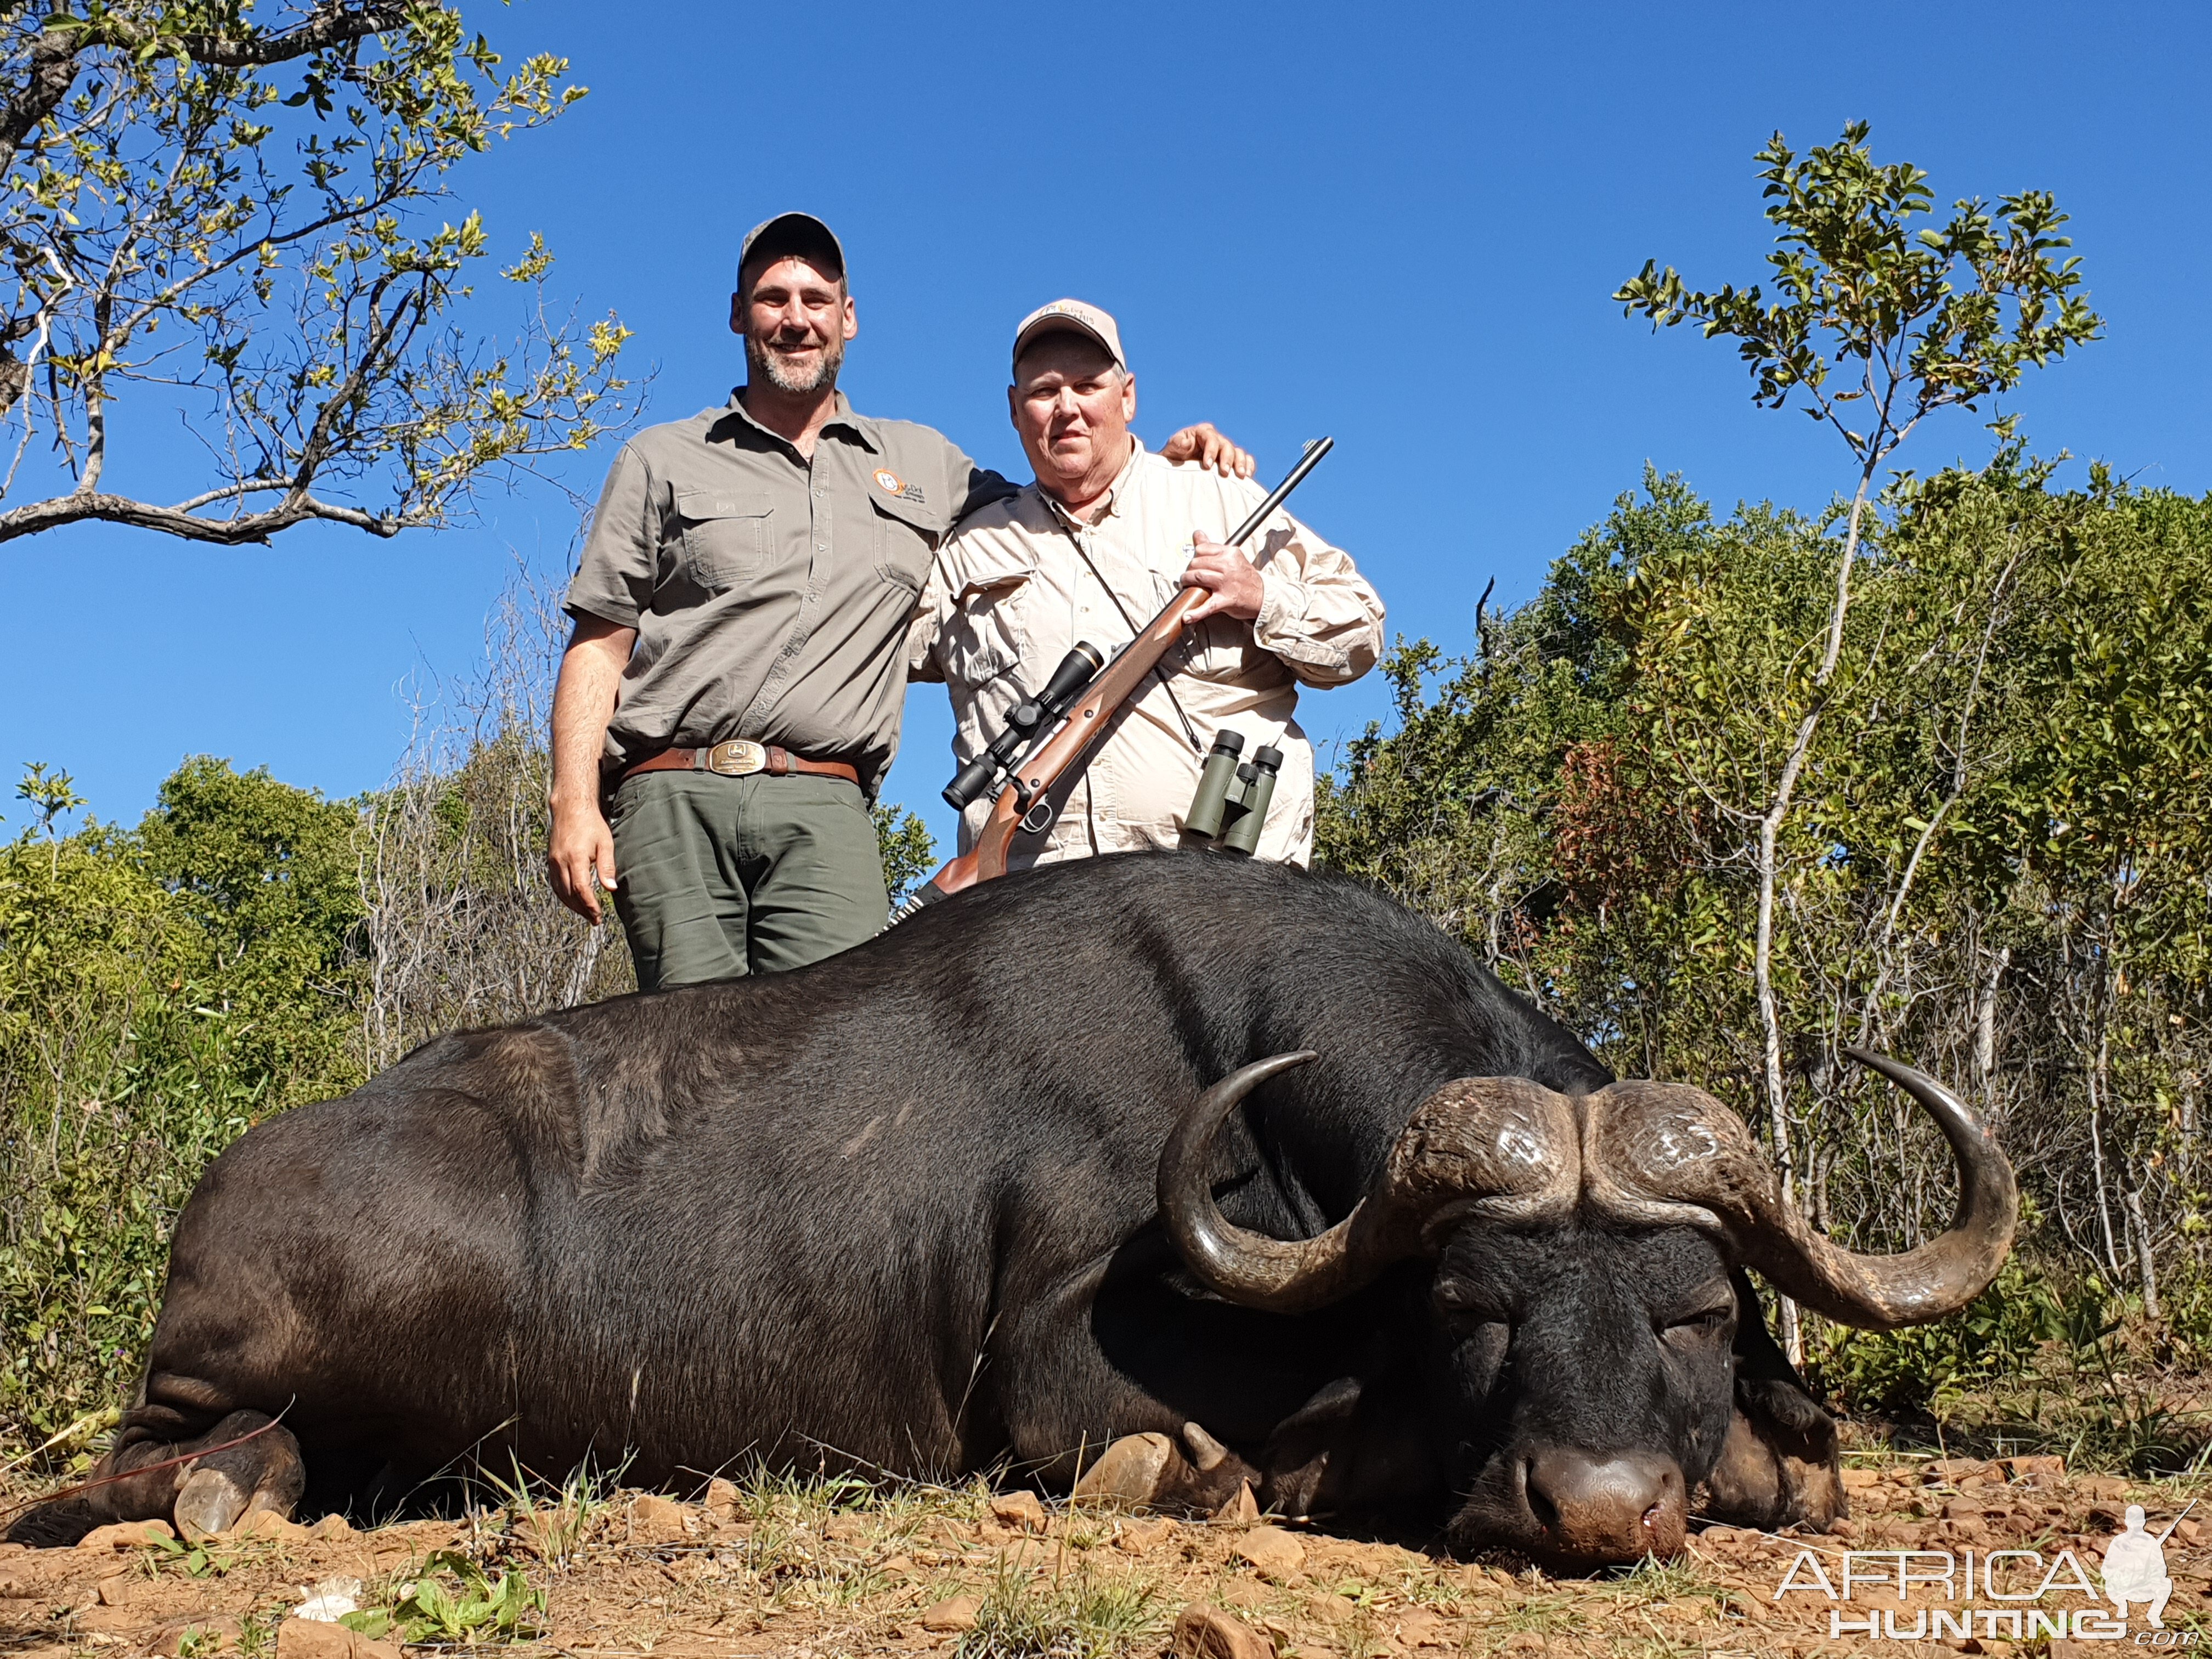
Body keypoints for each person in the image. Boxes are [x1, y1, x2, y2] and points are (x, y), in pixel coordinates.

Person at [548, 217, 1251, 990]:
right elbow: (600, 642)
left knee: (839, 1057)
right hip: (671, 793)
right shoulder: (661, 458)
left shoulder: (924, 463)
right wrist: (574, 802)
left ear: (847, 317)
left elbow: (1063, 492)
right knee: (686, 1059)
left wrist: (1166, 464)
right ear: (739, 314)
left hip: (827, 802)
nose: (795, 318)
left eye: (816, 299)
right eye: (772, 298)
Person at [910, 298, 1383, 867]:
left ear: (1127, 397)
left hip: (1219, 895)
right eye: (1044, 392)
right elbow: (863, 654)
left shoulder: (1220, 497)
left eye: (1088, 386)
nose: (1067, 409)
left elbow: (1361, 628)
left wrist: (1260, 596)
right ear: (1014, 409)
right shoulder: (969, 546)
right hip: (1029, 907)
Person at [2101, 1504, 2174, 1628]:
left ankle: (2154, 1615)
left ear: (2143, 1522)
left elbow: (2162, 1569)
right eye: (2132, 1521)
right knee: (2110, 1583)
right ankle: (2122, 1607)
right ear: (2126, 1522)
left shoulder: (2150, 1542)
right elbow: (2106, 1568)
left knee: (2166, 1584)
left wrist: (2148, 1573)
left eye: (2138, 1521)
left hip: (2143, 1587)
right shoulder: (2119, 1541)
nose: (2135, 1525)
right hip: (2122, 1587)